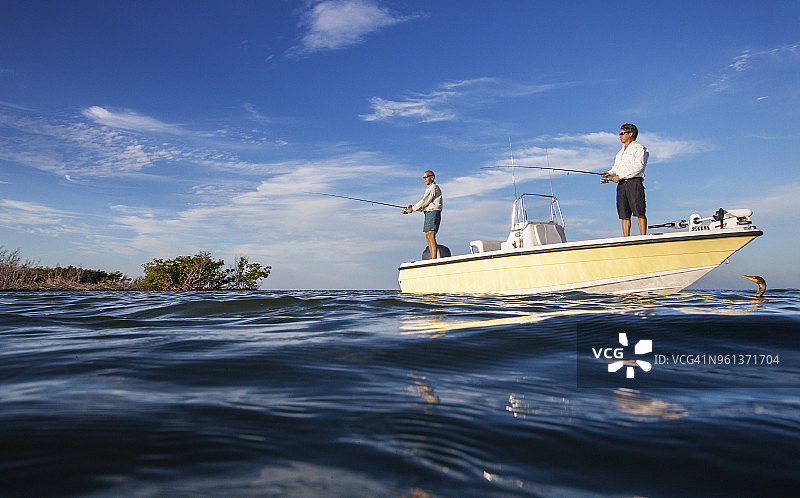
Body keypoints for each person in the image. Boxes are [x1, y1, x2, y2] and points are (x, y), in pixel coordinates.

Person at [602, 123, 649, 236]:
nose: (620, 136)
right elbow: (616, 168)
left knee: (639, 211)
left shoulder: (639, 148)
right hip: (622, 185)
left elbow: (638, 167)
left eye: (622, 133)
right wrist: (609, 174)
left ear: (630, 134)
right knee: (624, 214)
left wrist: (620, 176)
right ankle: (626, 238)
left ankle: (643, 237)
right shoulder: (620, 152)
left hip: (634, 183)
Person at [403, 170, 443, 258]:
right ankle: (433, 258)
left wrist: (412, 209)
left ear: (432, 177)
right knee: (427, 236)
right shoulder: (428, 188)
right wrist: (412, 206)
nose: (425, 179)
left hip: (433, 213)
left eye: (426, 177)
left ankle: (434, 259)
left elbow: (425, 201)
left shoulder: (433, 187)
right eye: (424, 177)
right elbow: (424, 202)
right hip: (428, 213)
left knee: (431, 235)